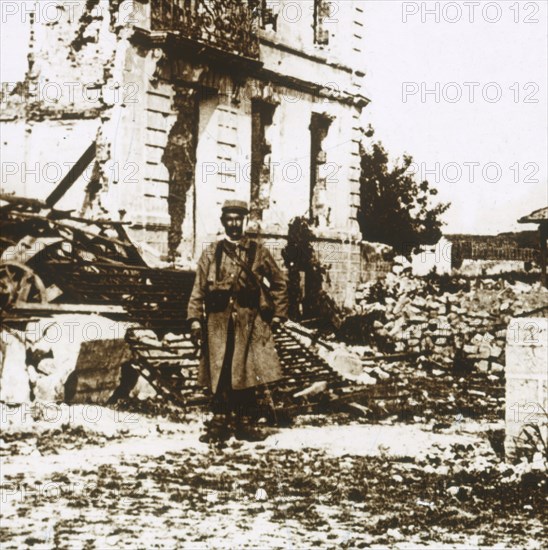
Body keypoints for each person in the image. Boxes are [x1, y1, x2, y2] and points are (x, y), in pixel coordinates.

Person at [187, 199, 288, 443]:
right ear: (223, 222)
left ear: (244, 222)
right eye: (229, 219)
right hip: (218, 322)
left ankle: (245, 422)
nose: (233, 224)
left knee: (246, 371)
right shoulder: (212, 252)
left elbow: (280, 283)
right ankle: (220, 421)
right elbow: (198, 289)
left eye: (238, 219)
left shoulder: (258, 251)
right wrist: (194, 320)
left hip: (248, 321)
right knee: (219, 370)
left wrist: (277, 315)